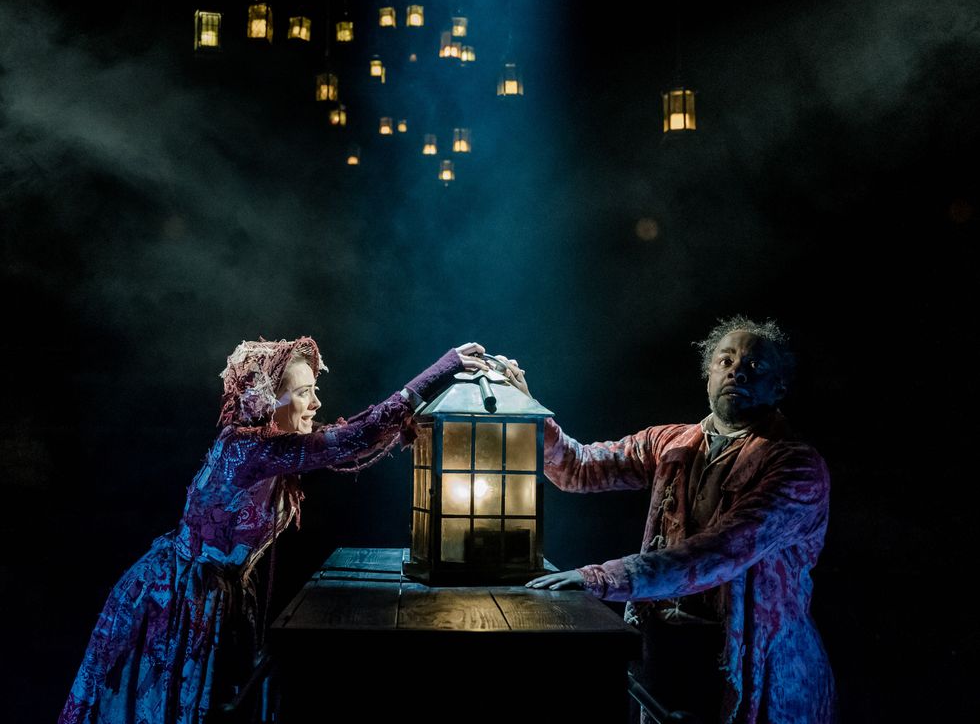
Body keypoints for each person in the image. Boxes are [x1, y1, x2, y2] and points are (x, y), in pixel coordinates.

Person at [59, 337, 488, 724]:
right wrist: (442, 368)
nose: (316, 402)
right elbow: (355, 435)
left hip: (211, 595)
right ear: (266, 400)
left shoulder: (271, 450)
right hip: (175, 598)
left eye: (314, 390)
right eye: (304, 393)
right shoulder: (248, 447)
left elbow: (348, 436)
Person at [513, 317, 836, 724]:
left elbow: (720, 551)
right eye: (726, 360)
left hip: (756, 659)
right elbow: (578, 467)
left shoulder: (796, 467)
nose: (737, 370)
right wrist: (527, 411)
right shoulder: (671, 442)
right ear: (707, 376)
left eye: (754, 366)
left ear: (779, 388)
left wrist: (601, 577)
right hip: (669, 649)